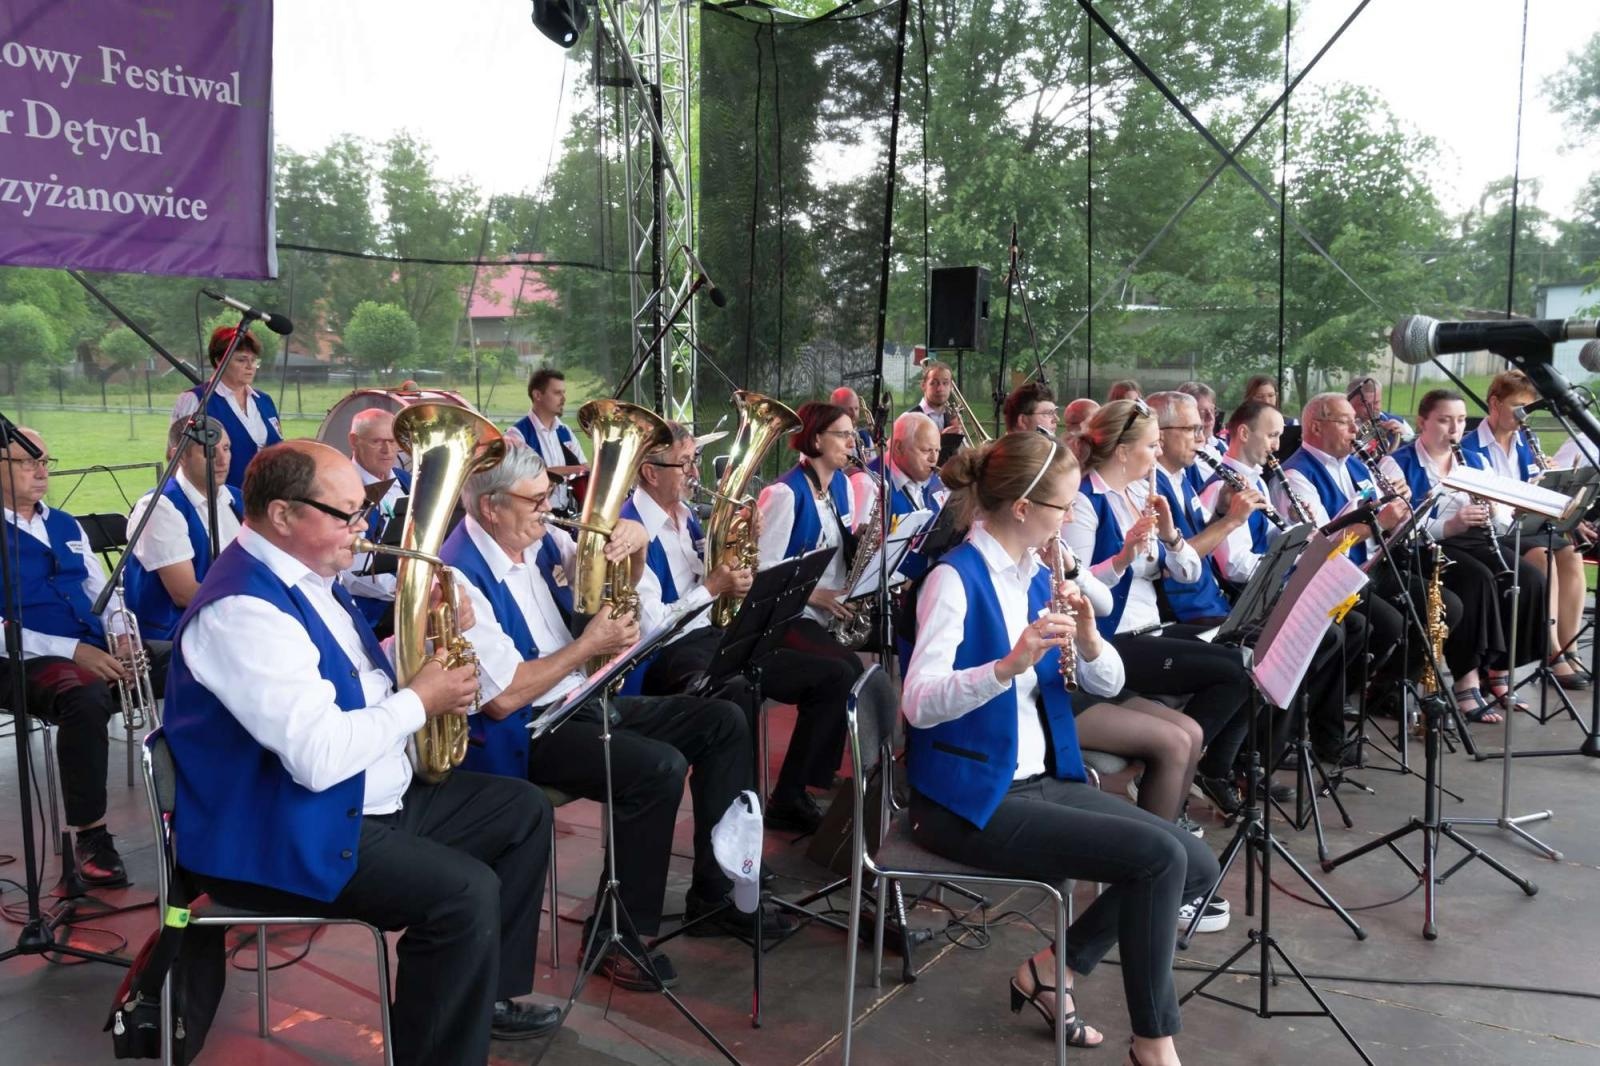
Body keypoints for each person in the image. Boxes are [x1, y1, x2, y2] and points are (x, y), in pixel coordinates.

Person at [161, 441, 559, 1063]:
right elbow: (318, 756)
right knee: (463, 894)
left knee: (521, 812)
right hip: (279, 833)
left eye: (362, 509)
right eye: (346, 514)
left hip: (350, 806)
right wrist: (422, 699)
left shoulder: (311, 578)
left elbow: (353, 682)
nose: (363, 526)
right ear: (283, 514)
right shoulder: (242, 610)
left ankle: (488, 1000)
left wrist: (422, 639)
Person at [904, 430, 1218, 1066]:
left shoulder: (1037, 572)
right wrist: (1005, 667)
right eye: (1063, 507)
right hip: (970, 799)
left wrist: (1091, 636)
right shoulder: (954, 580)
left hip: (1044, 776)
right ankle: (1154, 1046)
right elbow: (917, 702)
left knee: (1196, 865)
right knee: (1159, 858)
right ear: (1023, 508)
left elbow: (1108, 683)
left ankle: (1054, 970)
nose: (1070, 517)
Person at [438, 443, 785, 986]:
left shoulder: (539, 539)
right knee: (657, 769)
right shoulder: (458, 574)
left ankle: (717, 892)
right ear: (491, 507)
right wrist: (588, 646)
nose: (549, 509)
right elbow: (503, 698)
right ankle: (614, 935)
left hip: (578, 699)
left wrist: (636, 547)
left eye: (548, 496)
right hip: (522, 731)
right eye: (536, 500)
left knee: (723, 721)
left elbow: (615, 586)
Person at [1062, 400, 1256, 818]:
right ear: (1123, 451)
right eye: (1151, 445)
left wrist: (1170, 537)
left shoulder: (1142, 494)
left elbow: (1186, 573)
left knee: (1248, 650)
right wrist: (1122, 558)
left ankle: (1189, 771)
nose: (1157, 453)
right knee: (1234, 672)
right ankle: (1180, 772)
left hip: (1153, 627)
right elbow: (1076, 585)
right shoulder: (1085, 501)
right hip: (1112, 639)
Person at [0, 427, 162, 887]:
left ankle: (204, 803)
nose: (41, 472)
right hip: (23, 658)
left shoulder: (66, 524)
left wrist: (123, 635)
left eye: (45, 461)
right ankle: (91, 836)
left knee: (190, 660)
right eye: (27, 462)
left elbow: (102, 592)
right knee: (85, 697)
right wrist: (73, 651)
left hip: (91, 645)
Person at [1196, 400, 1367, 768]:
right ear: (1244, 433)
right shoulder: (1222, 488)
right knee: (1326, 634)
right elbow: (1233, 566)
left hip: (1270, 587)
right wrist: (1288, 558)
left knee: (1349, 624)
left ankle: (1291, 733)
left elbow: (1276, 537)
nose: (1277, 446)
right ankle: (1262, 749)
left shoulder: (1255, 478)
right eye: (1272, 436)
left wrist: (1301, 532)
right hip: (1244, 598)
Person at [757, 400, 899, 831]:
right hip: (787, 616)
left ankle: (816, 776)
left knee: (857, 667)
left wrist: (864, 551)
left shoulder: (840, 486)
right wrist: (816, 595)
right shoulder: (784, 494)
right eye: (843, 434)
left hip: (828, 609)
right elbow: (762, 572)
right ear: (816, 439)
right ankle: (792, 792)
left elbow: (840, 549)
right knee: (843, 671)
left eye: (853, 434)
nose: (852, 442)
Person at [1381, 389, 1549, 724]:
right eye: (1444, 420)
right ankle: (1466, 679)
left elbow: (1502, 520)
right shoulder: (1397, 463)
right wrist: (1451, 525)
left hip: (1473, 540)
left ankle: (1499, 669)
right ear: (1422, 422)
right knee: (1477, 580)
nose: (1454, 428)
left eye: (1459, 420)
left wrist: (1500, 511)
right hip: (1423, 547)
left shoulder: (1474, 460)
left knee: (1529, 578)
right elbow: (1399, 528)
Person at [1460, 369, 1589, 694]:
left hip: (1525, 524)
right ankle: (1551, 649)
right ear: (1494, 403)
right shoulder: (1469, 446)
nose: (1523, 416)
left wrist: (1550, 483)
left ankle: (1569, 649)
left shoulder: (1525, 443)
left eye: (1527, 409)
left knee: (1571, 555)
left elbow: (1534, 492)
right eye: (1518, 407)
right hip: (1493, 531)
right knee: (1543, 556)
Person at [124, 416, 242, 641]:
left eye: (226, 448)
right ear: (179, 456)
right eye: (208, 451)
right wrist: (255, 607)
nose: (222, 460)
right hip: (178, 635)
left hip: (228, 624)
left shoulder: (237, 499)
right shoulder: (158, 507)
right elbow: (185, 593)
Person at [171, 326, 283, 489]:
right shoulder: (196, 400)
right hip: (219, 499)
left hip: (267, 497)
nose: (250, 366)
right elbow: (178, 460)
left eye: (254, 360)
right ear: (219, 361)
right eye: (242, 360)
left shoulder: (264, 401)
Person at [340, 408, 411, 627]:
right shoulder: (340, 488)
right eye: (377, 442)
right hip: (373, 615)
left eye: (392, 442)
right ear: (354, 441)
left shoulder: (407, 481)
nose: (387, 451)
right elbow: (351, 572)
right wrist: (411, 591)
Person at [503, 367, 588, 514]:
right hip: (533, 514)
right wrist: (576, 469)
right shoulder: (517, 434)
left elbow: (584, 466)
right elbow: (525, 477)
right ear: (537, 395)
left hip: (565, 512)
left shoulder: (565, 431)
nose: (564, 399)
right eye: (557, 393)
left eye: (564, 392)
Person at [848, 411, 944, 533]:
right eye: (926, 450)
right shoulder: (866, 483)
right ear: (899, 447)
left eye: (937, 451)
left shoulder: (932, 479)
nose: (934, 459)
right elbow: (861, 543)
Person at [912, 360, 968, 460]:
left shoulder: (951, 418)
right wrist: (942, 440)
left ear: (951, 387)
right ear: (923, 385)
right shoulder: (910, 418)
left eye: (945, 383)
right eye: (934, 383)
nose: (940, 389)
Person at [1346, 375, 1414, 450]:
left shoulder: (1399, 422)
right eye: (1364, 404)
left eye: (1376, 403)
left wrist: (1406, 438)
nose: (1371, 409)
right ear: (1349, 402)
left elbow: (1417, 451)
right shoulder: (1341, 427)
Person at [831, 385, 879, 461]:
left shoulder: (865, 437)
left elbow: (873, 464)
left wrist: (869, 465)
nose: (854, 414)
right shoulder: (828, 439)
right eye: (849, 409)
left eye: (856, 408)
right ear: (835, 410)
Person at [1177, 382, 1225, 456]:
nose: (1211, 418)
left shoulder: (1221, 445)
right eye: (1202, 412)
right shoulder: (1183, 456)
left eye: (1212, 410)